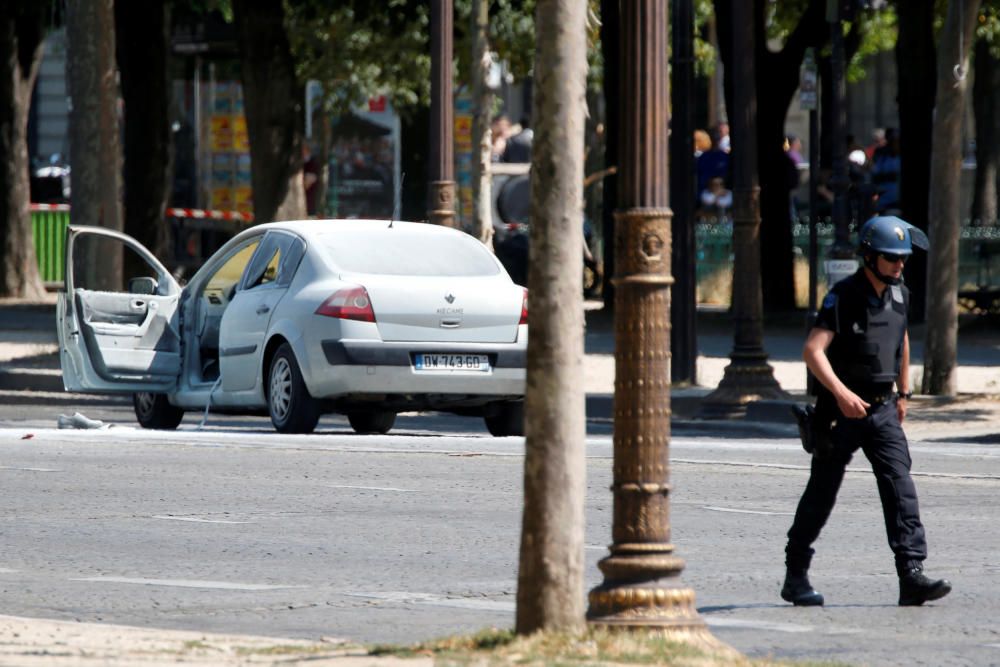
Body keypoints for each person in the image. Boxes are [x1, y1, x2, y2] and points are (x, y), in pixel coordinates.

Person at [782, 215, 952, 608]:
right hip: (839, 413)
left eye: (903, 259)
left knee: (901, 489)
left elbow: (903, 338)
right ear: (870, 257)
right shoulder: (843, 295)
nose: (899, 265)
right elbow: (813, 351)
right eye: (892, 259)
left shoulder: (900, 294)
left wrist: (904, 392)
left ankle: (911, 577)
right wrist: (840, 394)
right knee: (821, 495)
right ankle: (795, 576)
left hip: (882, 410)